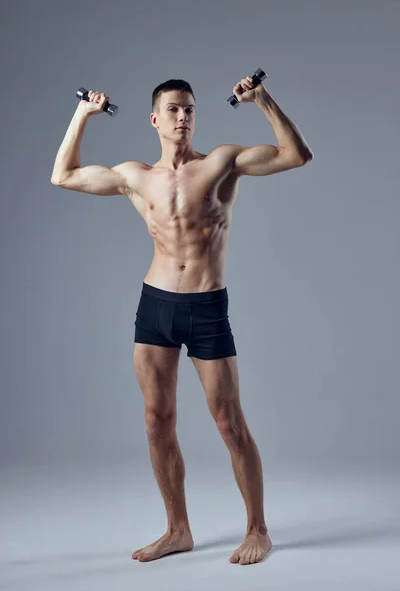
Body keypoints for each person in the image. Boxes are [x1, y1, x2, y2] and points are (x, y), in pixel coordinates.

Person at [51, 75, 313, 566]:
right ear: (155, 118)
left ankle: (258, 528)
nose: (183, 117)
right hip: (155, 307)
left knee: (230, 423)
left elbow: (297, 154)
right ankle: (178, 530)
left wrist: (263, 100)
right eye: (173, 109)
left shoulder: (221, 163)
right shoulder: (136, 175)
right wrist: (83, 114)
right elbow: (63, 175)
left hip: (206, 307)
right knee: (156, 422)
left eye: (189, 109)